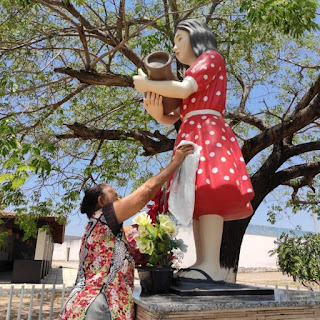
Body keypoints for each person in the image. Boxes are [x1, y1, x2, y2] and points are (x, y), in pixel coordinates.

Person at [133, 19, 254, 282]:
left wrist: (147, 85)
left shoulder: (211, 58)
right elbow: (174, 115)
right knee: (196, 195)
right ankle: (204, 262)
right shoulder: (192, 72)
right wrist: (157, 114)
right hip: (191, 132)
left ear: (197, 37)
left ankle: (211, 263)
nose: (175, 46)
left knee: (208, 190)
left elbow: (184, 89)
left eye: (179, 38)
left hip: (207, 132)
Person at [59, 144, 194, 320]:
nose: (120, 199)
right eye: (115, 196)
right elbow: (145, 192)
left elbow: (145, 229)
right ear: (101, 201)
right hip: (97, 306)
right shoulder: (104, 217)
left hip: (87, 306)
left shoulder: (102, 231)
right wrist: (175, 162)